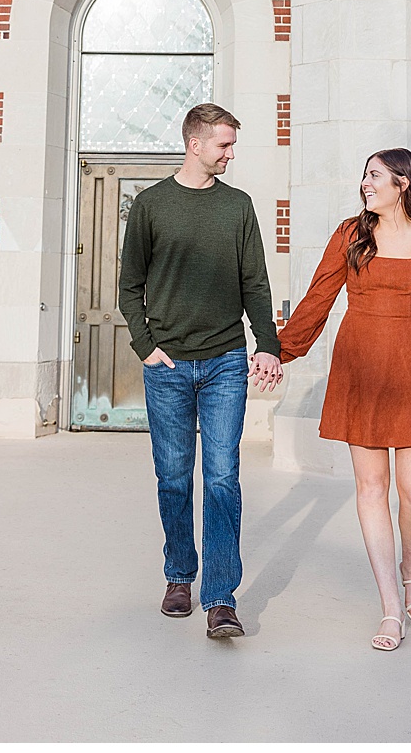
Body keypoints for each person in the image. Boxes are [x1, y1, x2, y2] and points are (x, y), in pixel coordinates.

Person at [279, 147, 411, 651]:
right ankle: (390, 604)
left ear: (403, 183)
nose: (365, 183)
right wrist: (279, 352)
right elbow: (318, 297)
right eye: (364, 176)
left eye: (375, 176)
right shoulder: (351, 234)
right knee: (371, 488)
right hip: (360, 369)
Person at [118, 103, 284, 639]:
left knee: (220, 478)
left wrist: (268, 346)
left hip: (225, 362)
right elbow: (129, 286)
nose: (230, 154)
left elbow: (255, 282)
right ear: (196, 143)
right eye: (224, 145)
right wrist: (146, 347)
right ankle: (178, 575)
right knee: (172, 478)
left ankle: (220, 597)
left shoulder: (238, 206)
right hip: (167, 364)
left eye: (231, 145)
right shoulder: (151, 205)